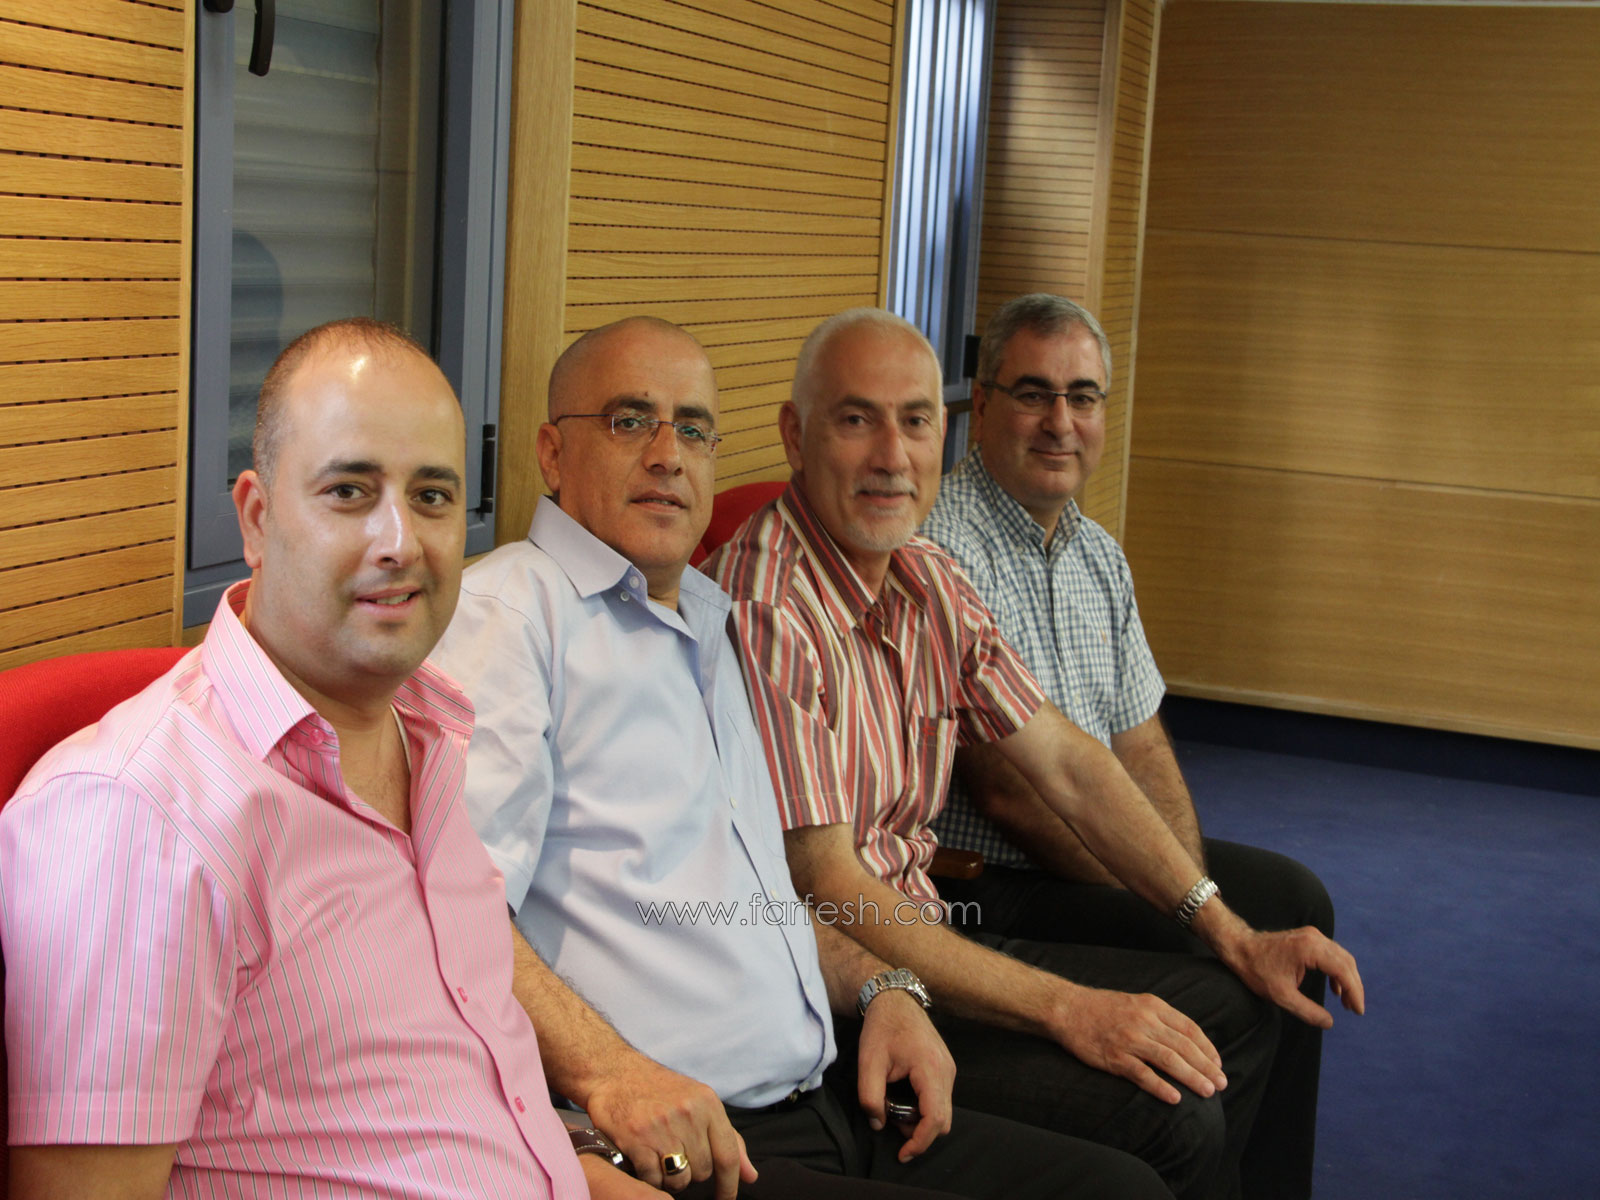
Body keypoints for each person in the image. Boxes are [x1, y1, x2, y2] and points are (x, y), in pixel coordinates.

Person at [430, 315, 1170, 1200]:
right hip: (691, 1143)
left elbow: (768, 901)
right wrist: (607, 1076)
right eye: (630, 421)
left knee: (1123, 1185)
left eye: (693, 428)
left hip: (826, 1090)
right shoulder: (509, 618)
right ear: (552, 453)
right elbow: (453, 911)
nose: (668, 455)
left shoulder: (702, 622)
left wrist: (884, 987)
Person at [706, 308, 1365, 1200]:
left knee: (1241, 1008)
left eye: (915, 421)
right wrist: (1068, 1009)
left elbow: (1071, 764)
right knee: (1175, 1112)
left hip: (930, 930)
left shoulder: (926, 574)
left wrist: (1230, 932)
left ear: (944, 432)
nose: (892, 455)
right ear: (796, 434)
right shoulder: (770, 607)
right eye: (856, 420)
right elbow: (827, 882)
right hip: (850, 990)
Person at [0, 319, 598, 1198]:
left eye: (432, 496)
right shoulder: (140, 818)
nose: (401, 540)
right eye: (350, 491)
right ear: (256, 517)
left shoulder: (424, 734)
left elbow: (421, 1093)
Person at [921, 293, 1337, 1199]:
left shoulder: (1097, 553)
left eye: (1083, 397)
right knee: (1227, 965)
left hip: (1092, 851)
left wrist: (1184, 877)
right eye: (1033, 394)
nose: (1061, 422)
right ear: (980, 406)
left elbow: (1140, 744)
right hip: (991, 884)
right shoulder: (943, 553)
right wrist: (1171, 902)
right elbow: (1014, 797)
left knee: (1294, 900)